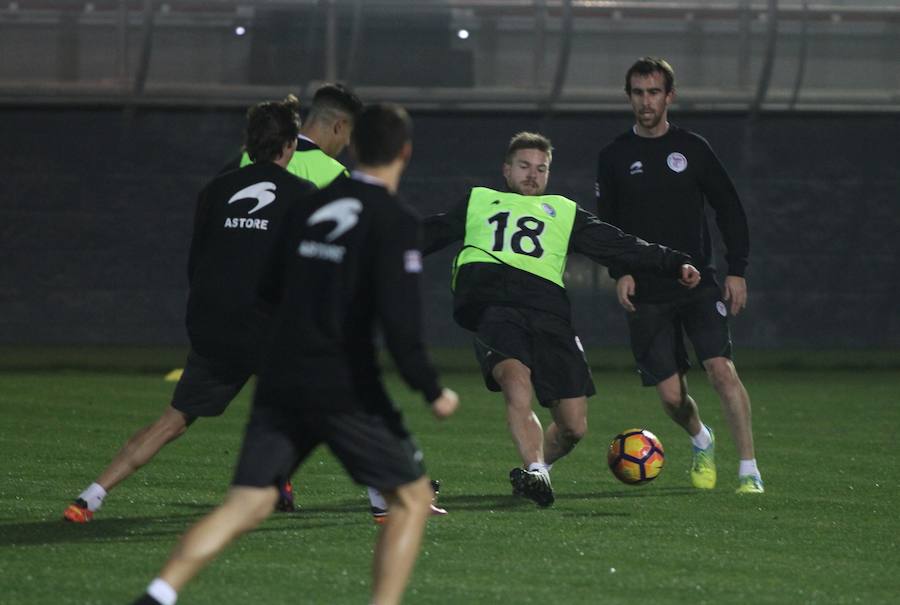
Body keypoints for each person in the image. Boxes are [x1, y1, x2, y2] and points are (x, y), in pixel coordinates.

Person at [130, 103, 459, 605]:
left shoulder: (306, 207)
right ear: (405, 154)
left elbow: (265, 287)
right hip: (338, 381)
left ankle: (159, 592)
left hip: (280, 373)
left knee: (248, 502)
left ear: (355, 147)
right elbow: (401, 329)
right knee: (412, 500)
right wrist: (433, 391)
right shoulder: (393, 220)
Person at [63, 98, 315, 523]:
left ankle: (89, 497)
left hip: (212, 324)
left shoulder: (214, 191)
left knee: (172, 421)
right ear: (289, 145)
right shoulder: (301, 195)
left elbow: (197, 263)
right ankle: (385, 503)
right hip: (265, 327)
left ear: (248, 142)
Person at [424, 131, 700, 507]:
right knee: (515, 380)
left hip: (550, 316)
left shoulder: (563, 211)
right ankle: (536, 468)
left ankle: (536, 473)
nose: (532, 175)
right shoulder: (479, 202)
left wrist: (673, 262)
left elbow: (617, 243)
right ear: (506, 170)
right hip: (497, 309)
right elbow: (428, 232)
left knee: (573, 426)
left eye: (541, 168)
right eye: (524, 166)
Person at [595, 57, 763, 494]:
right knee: (671, 397)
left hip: (697, 281)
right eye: (637, 92)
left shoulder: (693, 148)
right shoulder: (614, 156)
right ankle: (701, 439)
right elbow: (606, 226)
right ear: (628, 96)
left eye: (654, 92)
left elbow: (729, 209)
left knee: (721, 369)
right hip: (647, 288)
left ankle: (749, 470)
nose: (645, 101)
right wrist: (621, 271)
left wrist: (737, 270)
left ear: (669, 96)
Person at [226, 83, 363, 188]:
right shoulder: (335, 175)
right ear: (339, 126)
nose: (347, 142)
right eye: (349, 134)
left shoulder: (247, 157)